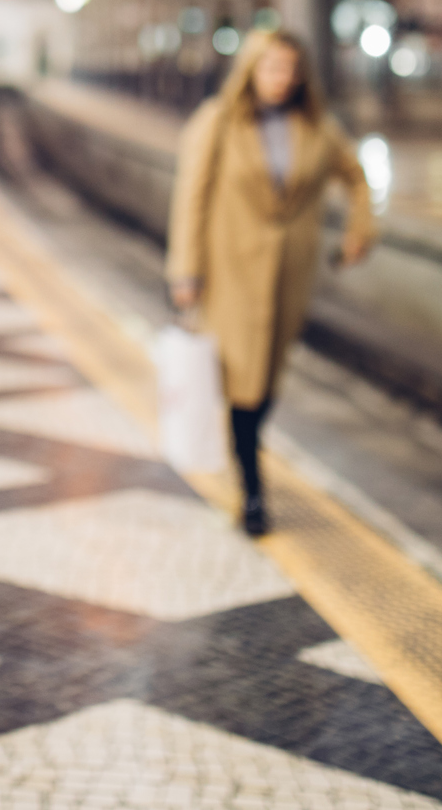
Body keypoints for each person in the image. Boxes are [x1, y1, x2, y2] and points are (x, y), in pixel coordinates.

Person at [165, 29, 375, 536]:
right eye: (273, 67)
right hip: (230, 271)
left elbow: (356, 177)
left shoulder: (317, 126)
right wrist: (185, 269)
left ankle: (248, 456)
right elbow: (191, 196)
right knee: (243, 379)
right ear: (251, 70)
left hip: (289, 275)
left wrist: (360, 230)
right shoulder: (218, 121)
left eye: (291, 69)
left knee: (267, 378)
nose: (283, 78)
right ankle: (253, 488)